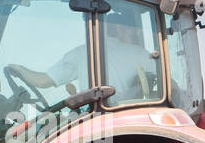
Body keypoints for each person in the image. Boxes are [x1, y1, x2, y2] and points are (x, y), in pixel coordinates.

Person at [9, 7, 160, 104]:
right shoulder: (141, 54)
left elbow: (42, 81)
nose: (134, 34)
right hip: (129, 118)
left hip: (96, 119)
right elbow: (168, 85)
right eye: (132, 30)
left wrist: (20, 69)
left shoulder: (82, 53)